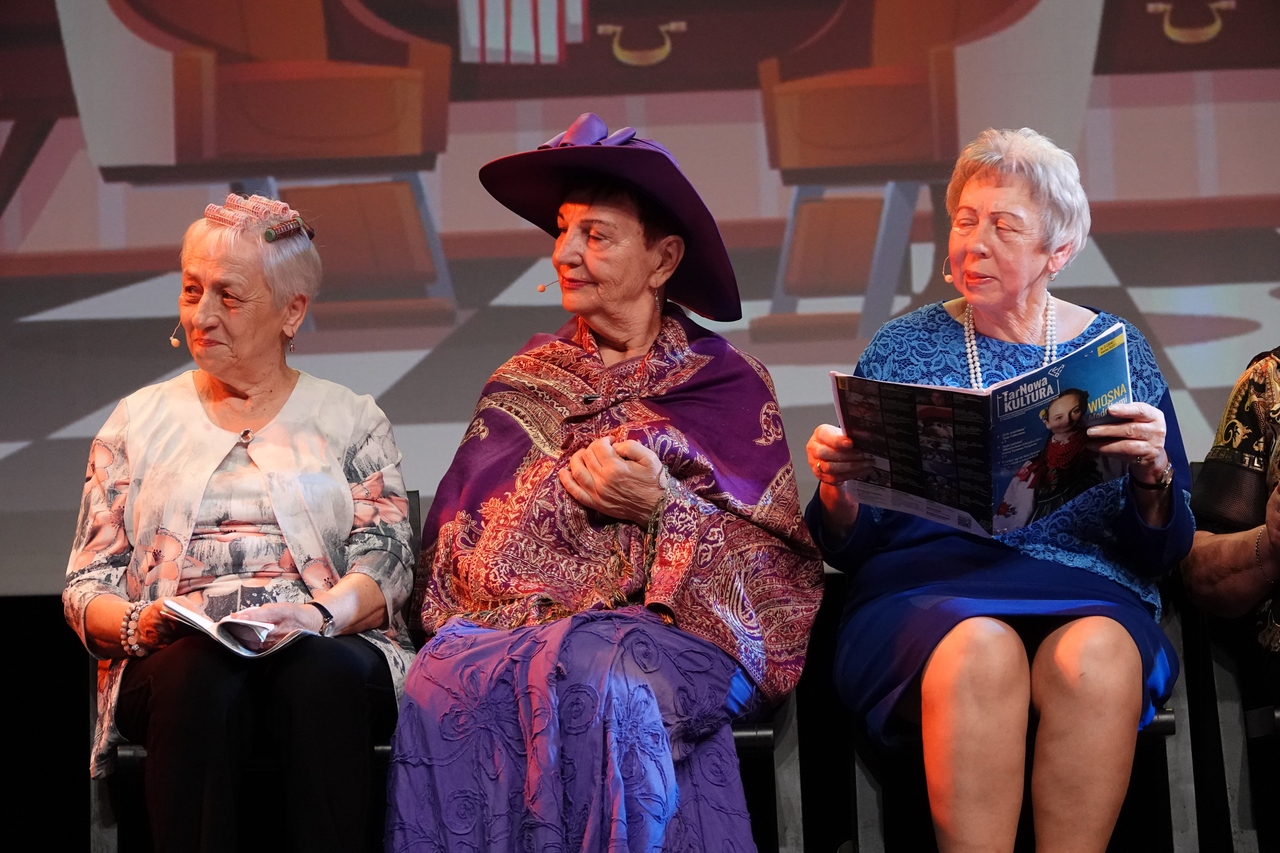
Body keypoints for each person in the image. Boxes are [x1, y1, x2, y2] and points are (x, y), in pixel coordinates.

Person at [385, 113, 824, 852]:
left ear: (663, 259)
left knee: (602, 677)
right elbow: (455, 546)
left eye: (596, 235)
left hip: (687, 633)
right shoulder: (523, 381)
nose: (565, 253)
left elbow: (778, 578)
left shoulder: (728, 383)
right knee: (442, 676)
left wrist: (665, 508)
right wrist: (544, 589)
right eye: (562, 230)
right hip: (525, 629)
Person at [805, 128, 1194, 852]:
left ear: (1058, 252)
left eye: (1004, 226)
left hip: (1087, 587)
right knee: (980, 650)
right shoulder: (900, 346)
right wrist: (839, 487)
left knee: (1099, 656)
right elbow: (846, 544)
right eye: (965, 221)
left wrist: (1154, 474)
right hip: (927, 592)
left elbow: (1163, 549)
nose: (975, 243)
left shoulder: (1115, 352)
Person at [64, 195, 416, 852]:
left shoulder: (351, 418)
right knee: (196, 674)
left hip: (324, 641)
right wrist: (142, 622)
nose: (201, 315)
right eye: (191, 290)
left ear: (292, 312)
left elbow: (388, 562)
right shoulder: (136, 421)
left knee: (318, 674)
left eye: (229, 296)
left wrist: (316, 616)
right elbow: (89, 583)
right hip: (176, 658)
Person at [994, 388, 1113, 532]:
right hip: (1045, 517)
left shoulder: (1097, 447)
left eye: (1075, 411)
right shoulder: (1035, 464)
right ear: (1047, 422)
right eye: (1058, 418)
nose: (1067, 420)